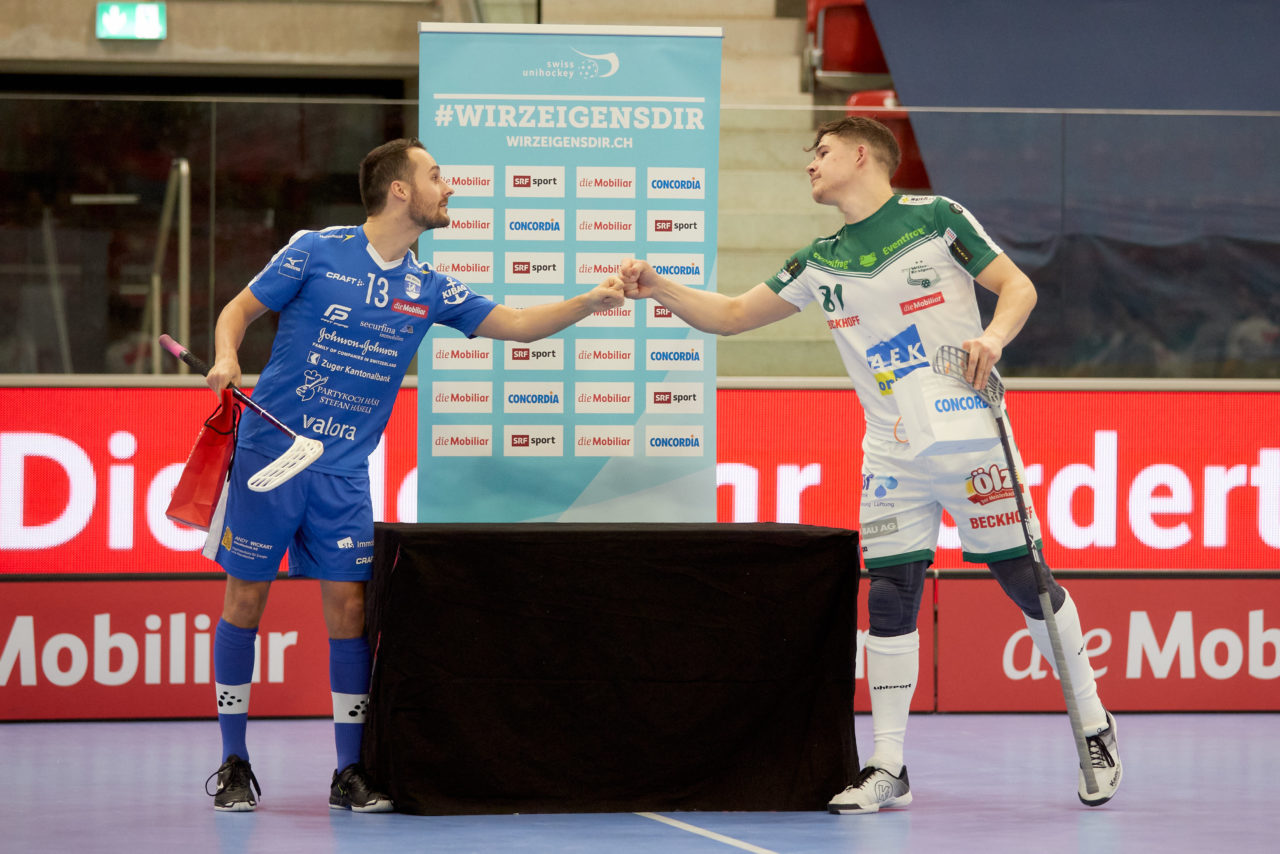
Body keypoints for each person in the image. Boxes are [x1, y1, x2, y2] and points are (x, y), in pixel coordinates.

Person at [618, 116, 1121, 813]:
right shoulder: (818, 259)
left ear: (862, 155)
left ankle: (1093, 724)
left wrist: (995, 337)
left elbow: (1018, 287)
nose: (810, 164)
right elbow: (732, 314)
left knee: (1023, 579)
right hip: (890, 449)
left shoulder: (936, 218)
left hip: (969, 432)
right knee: (889, 594)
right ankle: (888, 766)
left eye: (822, 152)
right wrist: (658, 286)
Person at [201, 138, 624, 812]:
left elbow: (517, 324)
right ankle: (232, 762)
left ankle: (348, 771)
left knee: (349, 611)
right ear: (400, 189)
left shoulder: (429, 287)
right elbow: (239, 310)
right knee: (245, 601)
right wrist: (227, 356)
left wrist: (591, 301)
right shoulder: (315, 250)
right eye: (435, 176)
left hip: (343, 471)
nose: (448, 187)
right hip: (269, 457)